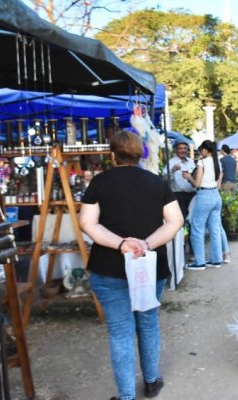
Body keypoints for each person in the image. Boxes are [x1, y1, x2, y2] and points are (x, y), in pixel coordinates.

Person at [80, 130, 183, 400]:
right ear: (140, 154)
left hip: (109, 267)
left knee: (120, 332)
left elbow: (87, 223)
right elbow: (175, 221)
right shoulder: (157, 183)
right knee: (148, 323)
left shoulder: (99, 183)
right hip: (150, 267)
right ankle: (151, 381)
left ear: (112, 154)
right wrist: (146, 244)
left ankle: (126, 396)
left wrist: (121, 244)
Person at [184, 140, 225, 270]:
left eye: (200, 149)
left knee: (197, 229)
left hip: (204, 196)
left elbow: (197, 183)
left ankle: (199, 262)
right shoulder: (217, 162)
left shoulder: (202, 162)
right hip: (216, 196)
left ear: (206, 150)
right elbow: (218, 185)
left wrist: (188, 177)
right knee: (215, 230)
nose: (199, 152)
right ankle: (216, 259)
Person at [168, 140, 196, 218]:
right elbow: (164, 178)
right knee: (181, 218)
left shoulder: (191, 162)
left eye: (185, 148)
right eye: (180, 148)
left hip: (192, 196)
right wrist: (172, 170)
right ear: (176, 150)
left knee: (192, 218)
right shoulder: (171, 162)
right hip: (179, 196)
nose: (183, 150)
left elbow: (195, 176)